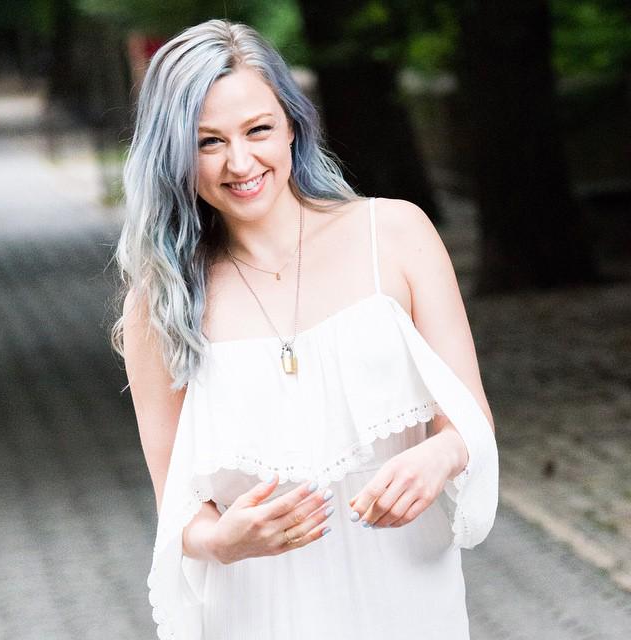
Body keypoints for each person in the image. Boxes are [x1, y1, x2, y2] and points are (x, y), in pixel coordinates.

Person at [112, 18, 499, 640]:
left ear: (293, 124)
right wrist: (223, 541)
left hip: (407, 598)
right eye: (208, 142)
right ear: (174, 153)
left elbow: (470, 422)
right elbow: (179, 511)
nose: (240, 162)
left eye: (258, 130)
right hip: (256, 612)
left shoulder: (395, 233)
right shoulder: (159, 303)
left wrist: (439, 453)